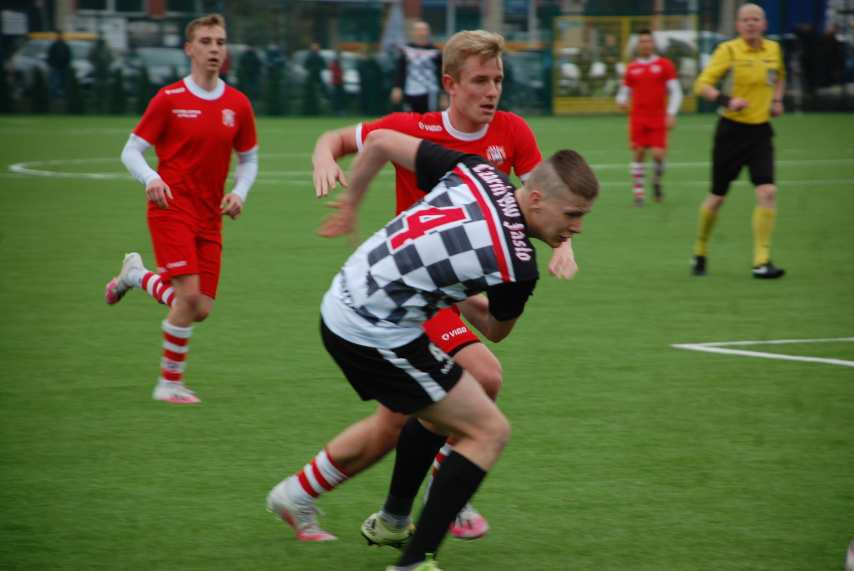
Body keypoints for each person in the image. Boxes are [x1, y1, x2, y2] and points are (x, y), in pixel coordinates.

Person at [268, 128, 599, 571]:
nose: (576, 228)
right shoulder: (519, 265)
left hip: (351, 291)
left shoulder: (479, 170)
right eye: (573, 215)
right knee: (488, 431)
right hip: (371, 329)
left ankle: (391, 519)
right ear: (536, 198)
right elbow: (496, 330)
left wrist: (352, 204)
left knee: (445, 402)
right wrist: (456, 291)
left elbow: (382, 141)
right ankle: (413, 562)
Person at [305, 29, 579, 543]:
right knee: (482, 378)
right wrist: (325, 158)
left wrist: (563, 244)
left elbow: (545, 199)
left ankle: (362, 509)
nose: (491, 91)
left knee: (401, 423)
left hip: (452, 291)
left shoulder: (514, 132)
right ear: (450, 84)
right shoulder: (416, 127)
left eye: (498, 80)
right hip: (411, 291)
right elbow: (339, 140)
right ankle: (441, 500)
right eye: (480, 80)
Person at [103, 14, 259, 403]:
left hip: (210, 216)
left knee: (200, 307)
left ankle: (136, 275)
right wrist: (151, 179)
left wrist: (239, 192)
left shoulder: (237, 104)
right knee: (188, 297)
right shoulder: (169, 99)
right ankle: (168, 384)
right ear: (189, 48)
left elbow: (250, 159)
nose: (214, 49)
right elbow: (131, 150)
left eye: (220, 42)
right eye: (205, 41)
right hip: (170, 208)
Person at [691, 3, 785, 279]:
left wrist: (777, 100)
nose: (751, 24)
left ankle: (762, 261)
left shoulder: (773, 50)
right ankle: (700, 249)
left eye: (756, 19)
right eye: (745, 20)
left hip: (760, 132)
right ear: (738, 25)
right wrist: (727, 100)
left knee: (767, 191)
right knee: (717, 198)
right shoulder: (728, 51)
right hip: (730, 132)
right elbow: (701, 85)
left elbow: (779, 76)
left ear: (764, 24)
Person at [615, 29, 682, 205]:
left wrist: (671, 113)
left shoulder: (664, 65)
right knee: (638, 153)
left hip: (658, 118)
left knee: (658, 155)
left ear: (653, 44)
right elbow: (623, 92)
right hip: (638, 118)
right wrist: (621, 100)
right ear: (638, 45)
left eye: (648, 41)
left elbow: (676, 92)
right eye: (642, 41)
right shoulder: (632, 68)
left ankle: (657, 181)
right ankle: (639, 195)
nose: (645, 44)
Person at [391, 21, 442, 113]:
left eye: (424, 30)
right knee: (409, 119)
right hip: (410, 91)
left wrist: (444, 93)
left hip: (430, 92)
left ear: (428, 32)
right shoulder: (405, 50)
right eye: (418, 30)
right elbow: (400, 70)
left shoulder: (435, 51)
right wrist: (397, 87)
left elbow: (440, 72)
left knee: (428, 120)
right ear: (413, 32)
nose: (421, 32)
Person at [47, 30, 71, 98]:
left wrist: (66, 64)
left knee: (63, 83)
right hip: (56, 67)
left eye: (60, 35)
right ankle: (54, 97)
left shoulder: (64, 45)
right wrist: (52, 64)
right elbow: (50, 56)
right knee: (55, 83)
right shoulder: (54, 45)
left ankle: (62, 96)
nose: (59, 36)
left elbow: (68, 56)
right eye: (59, 35)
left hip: (63, 67)